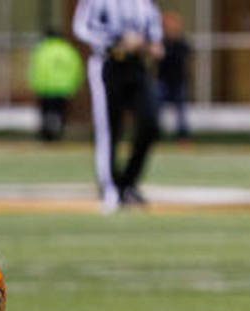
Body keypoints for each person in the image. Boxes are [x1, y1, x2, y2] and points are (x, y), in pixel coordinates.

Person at [72, 0, 164, 212]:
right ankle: (110, 187)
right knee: (109, 128)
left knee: (150, 122)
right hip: (108, 64)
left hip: (137, 65)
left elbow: (153, 28)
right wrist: (116, 40)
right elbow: (82, 27)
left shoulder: (144, 3)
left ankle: (128, 183)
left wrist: (153, 44)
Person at [27, 28, 84, 142]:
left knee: (46, 113)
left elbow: (34, 69)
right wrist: (76, 85)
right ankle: (58, 133)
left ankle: (46, 134)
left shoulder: (42, 50)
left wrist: (34, 85)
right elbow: (77, 69)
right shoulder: (68, 50)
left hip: (45, 88)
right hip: (64, 88)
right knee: (59, 112)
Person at [157, 11, 191, 141]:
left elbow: (187, 61)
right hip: (162, 81)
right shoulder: (161, 43)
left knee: (181, 112)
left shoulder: (182, 44)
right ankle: (153, 134)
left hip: (178, 82)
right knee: (156, 110)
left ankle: (183, 136)